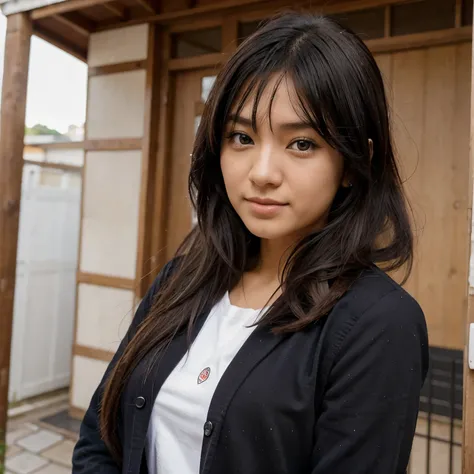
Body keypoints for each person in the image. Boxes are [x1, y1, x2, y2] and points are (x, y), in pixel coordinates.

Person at [72, 11, 429, 474]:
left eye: (301, 143)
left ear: (355, 162)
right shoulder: (183, 278)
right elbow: (99, 442)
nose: (261, 173)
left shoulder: (378, 325)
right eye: (241, 137)